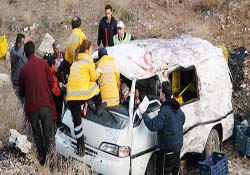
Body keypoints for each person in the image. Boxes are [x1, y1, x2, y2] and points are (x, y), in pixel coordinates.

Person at [18, 41, 55, 165]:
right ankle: (52, 161)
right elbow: (51, 83)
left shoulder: (23, 70)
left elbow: (21, 93)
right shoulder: (43, 63)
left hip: (32, 107)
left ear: (25, 54)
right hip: (45, 103)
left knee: (37, 135)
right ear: (34, 51)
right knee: (49, 134)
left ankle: (42, 159)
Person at [66, 39, 105, 155]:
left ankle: (80, 147)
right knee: (95, 87)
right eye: (91, 49)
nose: (92, 51)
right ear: (87, 50)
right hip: (80, 96)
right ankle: (99, 107)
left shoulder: (75, 62)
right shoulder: (88, 61)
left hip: (70, 98)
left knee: (77, 123)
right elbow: (93, 77)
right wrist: (99, 71)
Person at [140, 80, 185, 175]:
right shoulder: (176, 106)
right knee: (175, 172)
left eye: (160, 93)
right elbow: (183, 119)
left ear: (163, 95)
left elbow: (152, 125)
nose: (159, 94)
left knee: (164, 172)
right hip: (177, 149)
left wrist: (142, 113)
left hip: (168, 151)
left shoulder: (165, 111)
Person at [47, 55, 66, 127]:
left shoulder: (51, 73)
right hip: (53, 107)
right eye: (56, 64)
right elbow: (56, 93)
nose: (58, 66)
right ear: (52, 65)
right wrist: (64, 89)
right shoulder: (51, 77)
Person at [10, 33, 28, 103]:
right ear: (19, 42)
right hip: (16, 81)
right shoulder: (13, 51)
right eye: (22, 42)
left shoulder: (23, 50)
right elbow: (17, 55)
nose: (23, 44)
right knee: (19, 102)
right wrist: (23, 45)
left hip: (24, 81)